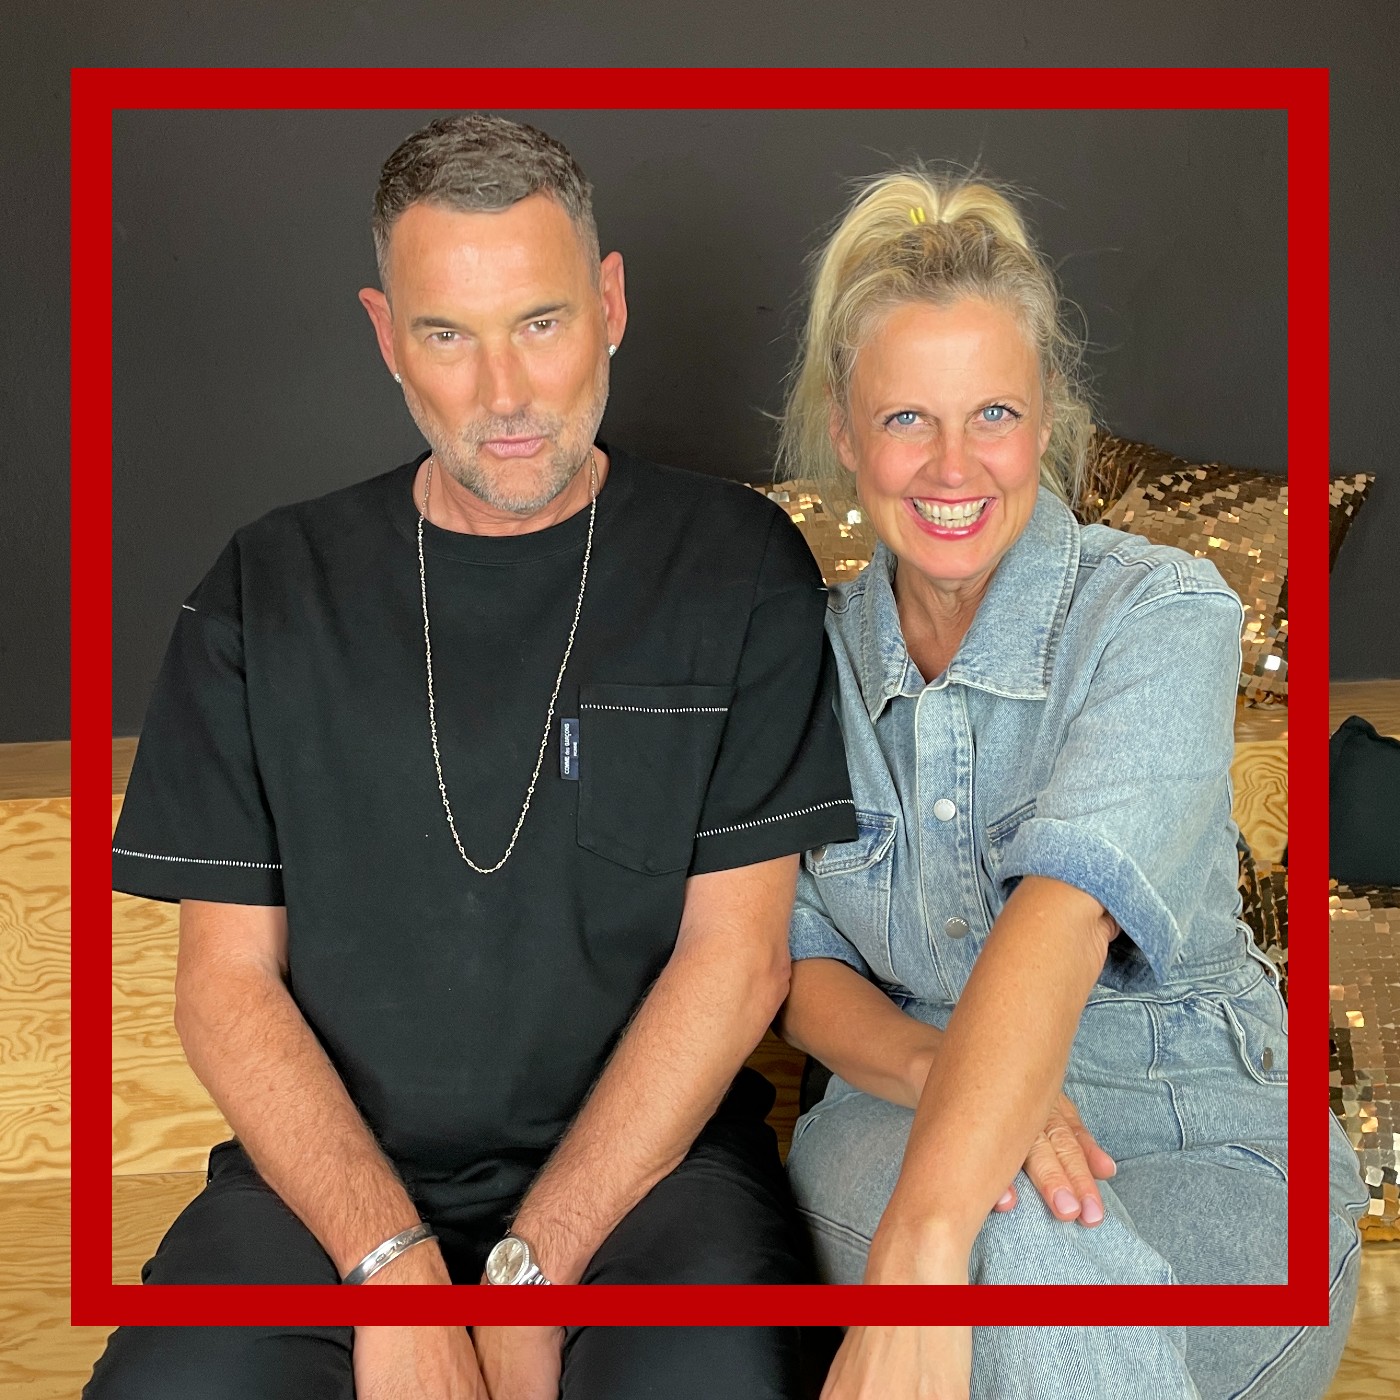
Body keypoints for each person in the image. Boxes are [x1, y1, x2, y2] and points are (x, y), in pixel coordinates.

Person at [91, 113, 856, 1400]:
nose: (504, 392)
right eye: (447, 334)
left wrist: (532, 1264)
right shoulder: (265, 588)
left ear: (609, 305)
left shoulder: (735, 567)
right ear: (386, 334)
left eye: (539, 323)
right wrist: (392, 1269)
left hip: (652, 1177)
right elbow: (224, 988)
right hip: (327, 1185)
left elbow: (737, 962)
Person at [772, 169, 1368, 1398]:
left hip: (1199, 1123)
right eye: (905, 418)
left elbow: (1062, 915)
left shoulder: (1160, 612)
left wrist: (920, 1254)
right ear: (844, 428)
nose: (953, 465)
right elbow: (799, 968)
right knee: (1025, 1236)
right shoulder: (796, 662)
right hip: (894, 1101)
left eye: (991, 412)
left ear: (1043, 413)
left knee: (1027, 1253)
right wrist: (941, 1082)